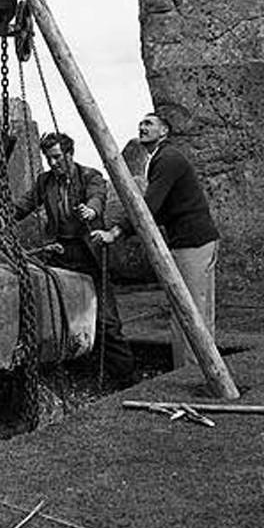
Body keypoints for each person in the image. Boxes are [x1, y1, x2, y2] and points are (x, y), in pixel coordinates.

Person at [93, 112, 219, 369]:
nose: (142, 127)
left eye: (149, 123)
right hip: (194, 240)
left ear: (164, 131)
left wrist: (116, 231)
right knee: (197, 310)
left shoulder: (167, 159)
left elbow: (149, 207)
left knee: (189, 312)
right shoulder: (160, 159)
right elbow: (157, 209)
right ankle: (201, 369)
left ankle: (190, 372)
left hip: (192, 242)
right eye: (140, 123)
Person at [13, 131, 135, 387]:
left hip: (89, 255)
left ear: (70, 153)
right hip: (61, 255)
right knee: (63, 318)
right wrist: (2, 211)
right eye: (49, 158)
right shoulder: (45, 182)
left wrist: (91, 210)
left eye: (57, 157)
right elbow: (23, 206)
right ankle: (74, 374)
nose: (53, 163)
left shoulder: (90, 175)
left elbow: (97, 197)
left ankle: (124, 378)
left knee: (106, 320)